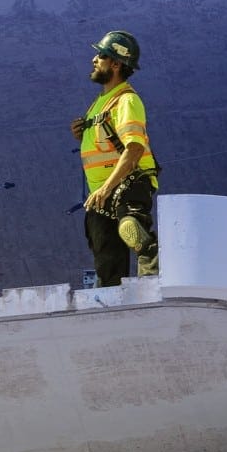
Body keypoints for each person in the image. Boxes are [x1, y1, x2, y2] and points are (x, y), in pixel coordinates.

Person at [71, 30, 160, 286]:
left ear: (116, 64)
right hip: (100, 194)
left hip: (128, 182)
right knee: (105, 255)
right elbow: (105, 145)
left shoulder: (127, 100)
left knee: (131, 227)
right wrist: (82, 134)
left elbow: (134, 149)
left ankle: (153, 279)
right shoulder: (99, 103)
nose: (94, 60)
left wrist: (107, 187)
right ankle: (113, 300)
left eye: (101, 55)